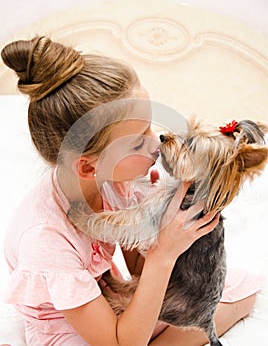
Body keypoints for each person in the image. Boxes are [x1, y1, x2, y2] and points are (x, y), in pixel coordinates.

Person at [1, 36, 262, 346]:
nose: (156, 144)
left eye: (150, 126)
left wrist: (159, 229)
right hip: (68, 324)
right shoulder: (45, 239)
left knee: (240, 292)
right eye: (139, 141)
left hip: (108, 290)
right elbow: (118, 341)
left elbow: (138, 269)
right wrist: (163, 254)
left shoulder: (115, 182)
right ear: (87, 167)